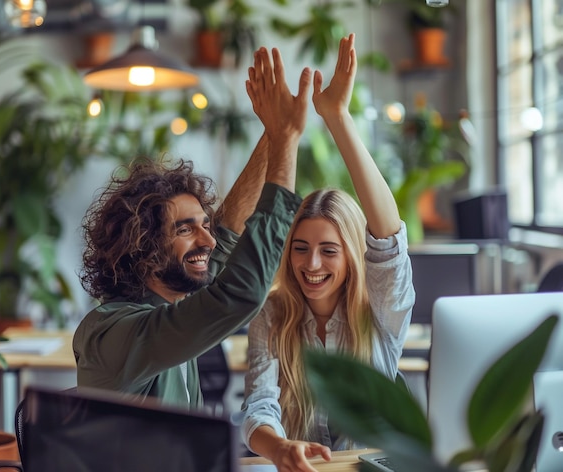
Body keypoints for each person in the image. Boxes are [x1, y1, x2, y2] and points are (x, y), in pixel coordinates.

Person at [72, 46, 312, 409]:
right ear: (143, 250)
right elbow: (240, 294)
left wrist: (274, 134)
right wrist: (287, 139)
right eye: (185, 230)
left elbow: (228, 227)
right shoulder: (117, 332)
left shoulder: (172, 305)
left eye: (203, 224)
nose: (208, 240)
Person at [235, 33, 416, 471]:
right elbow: (259, 405)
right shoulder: (273, 313)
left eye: (328, 251)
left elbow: (388, 240)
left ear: (352, 255)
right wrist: (279, 448)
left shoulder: (379, 312)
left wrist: (337, 117)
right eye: (300, 248)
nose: (310, 264)